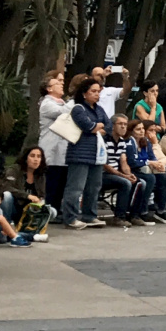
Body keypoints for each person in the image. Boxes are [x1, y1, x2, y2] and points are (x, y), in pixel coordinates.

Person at [63, 77, 109, 230]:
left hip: (96, 154)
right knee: (76, 187)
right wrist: (96, 127)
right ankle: (70, 217)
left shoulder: (99, 109)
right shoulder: (78, 108)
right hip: (79, 153)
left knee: (94, 186)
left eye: (98, 91)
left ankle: (90, 215)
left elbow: (108, 126)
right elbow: (88, 126)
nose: (97, 94)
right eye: (93, 91)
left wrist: (98, 127)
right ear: (84, 94)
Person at [101, 116, 151, 227]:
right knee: (125, 183)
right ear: (113, 126)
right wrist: (124, 176)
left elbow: (123, 162)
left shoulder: (122, 141)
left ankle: (134, 216)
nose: (123, 127)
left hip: (115, 173)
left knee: (140, 182)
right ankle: (119, 217)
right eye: (120, 124)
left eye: (125, 124)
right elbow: (105, 165)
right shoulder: (104, 140)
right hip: (103, 174)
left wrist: (129, 174)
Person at [125, 120, 166, 224]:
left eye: (142, 129)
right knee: (149, 179)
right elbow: (132, 162)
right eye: (138, 129)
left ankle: (161, 210)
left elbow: (152, 157)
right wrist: (150, 162)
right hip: (132, 170)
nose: (142, 131)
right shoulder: (129, 142)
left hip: (145, 169)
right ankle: (143, 211)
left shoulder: (145, 141)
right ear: (131, 131)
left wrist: (158, 164)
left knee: (162, 176)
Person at [0, 145, 52, 240]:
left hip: (28, 211)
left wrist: (39, 201)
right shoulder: (15, 169)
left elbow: (42, 195)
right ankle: (7, 227)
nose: (36, 159)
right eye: (32, 156)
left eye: (39, 156)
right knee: (6, 196)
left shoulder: (40, 174)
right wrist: (27, 196)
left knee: (52, 212)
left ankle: (26, 232)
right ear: (25, 158)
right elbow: (5, 187)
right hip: (14, 207)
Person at [35, 72, 70, 210]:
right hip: (51, 147)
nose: (62, 84)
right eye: (57, 83)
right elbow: (63, 113)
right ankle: (50, 207)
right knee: (52, 181)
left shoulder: (63, 103)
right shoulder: (47, 103)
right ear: (49, 89)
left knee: (61, 180)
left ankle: (57, 208)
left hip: (63, 148)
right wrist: (74, 101)